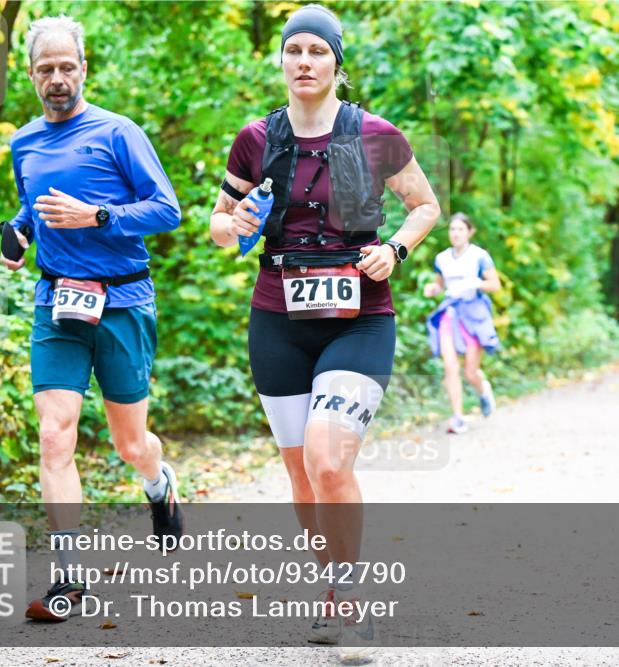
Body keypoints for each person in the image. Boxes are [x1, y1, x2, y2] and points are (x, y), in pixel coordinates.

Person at [209, 4, 439, 654]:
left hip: (360, 316)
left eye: (317, 51)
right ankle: (333, 588)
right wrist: (236, 225)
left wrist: (394, 248)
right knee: (303, 477)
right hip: (277, 318)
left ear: (337, 61)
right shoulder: (257, 138)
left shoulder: (375, 134)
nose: (304, 62)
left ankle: (354, 599)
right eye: (294, 51)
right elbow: (218, 224)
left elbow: (425, 205)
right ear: (281, 60)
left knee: (329, 459)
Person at [0, 15, 184, 622]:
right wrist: (18, 232)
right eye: (45, 69)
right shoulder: (23, 142)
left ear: (84, 68)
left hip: (124, 301)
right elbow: (32, 206)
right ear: (31, 74)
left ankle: (159, 485)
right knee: (55, 435)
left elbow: (166, 210)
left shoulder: (117, 132)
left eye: (67, 67)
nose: (57, 79)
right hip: (57, 302)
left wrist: (97, 217)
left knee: (131, 444)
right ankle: (69, 578)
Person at [423, 213, 500, 434]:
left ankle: (483, 390)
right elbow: (439, 284)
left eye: (460, 229)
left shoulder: (480, 256)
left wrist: (476, 282)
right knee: (450, 367)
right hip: (451, 312)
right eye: (452, 229)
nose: (455, 233)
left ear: (469, 232)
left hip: (474, 312)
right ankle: (458, 417)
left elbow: (495, 284)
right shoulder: (442, 259)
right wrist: (433, 289)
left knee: (470, 372)